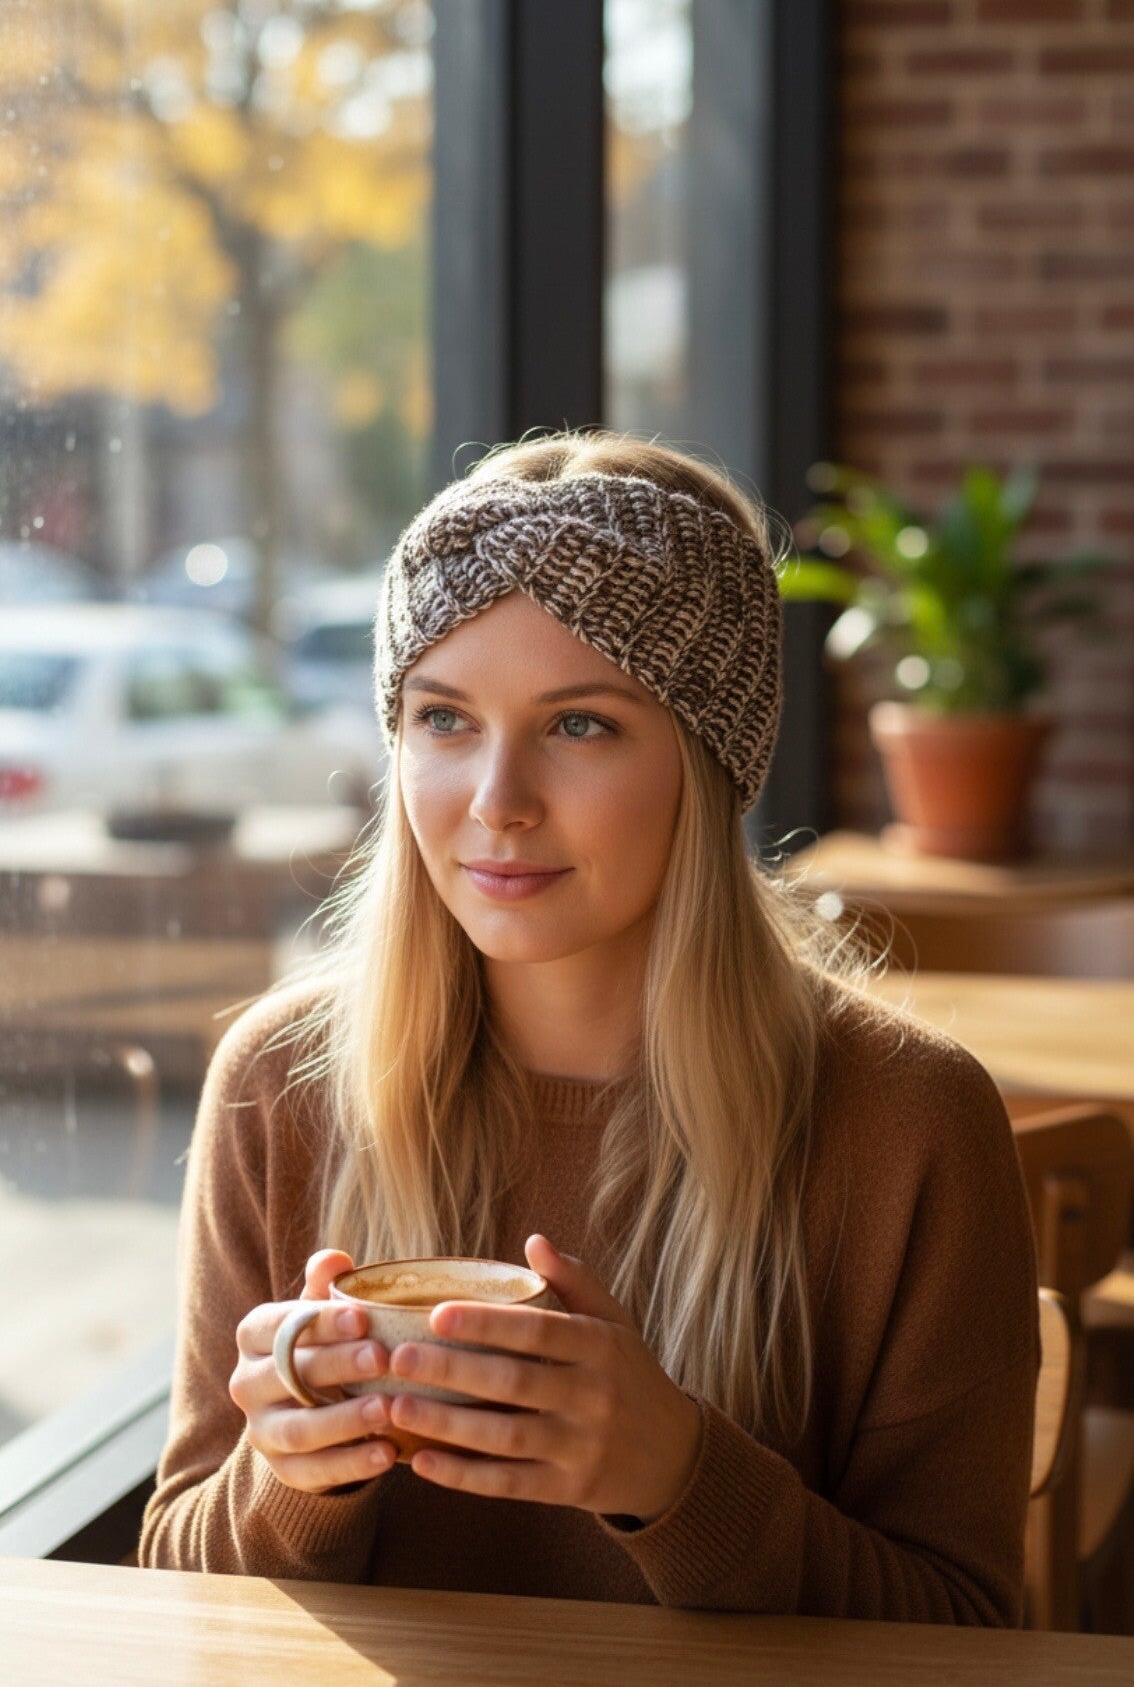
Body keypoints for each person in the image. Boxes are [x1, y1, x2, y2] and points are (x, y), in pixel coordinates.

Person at [140, 431, 1039, 1621]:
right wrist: (292, 1476)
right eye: (444, 719)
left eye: (580, 726)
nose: (496, 803)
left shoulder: (912, 1120)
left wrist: (680, 1475)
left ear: (710, 762)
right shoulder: (280, 1082)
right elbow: (178, 1595)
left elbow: (968, 1635)